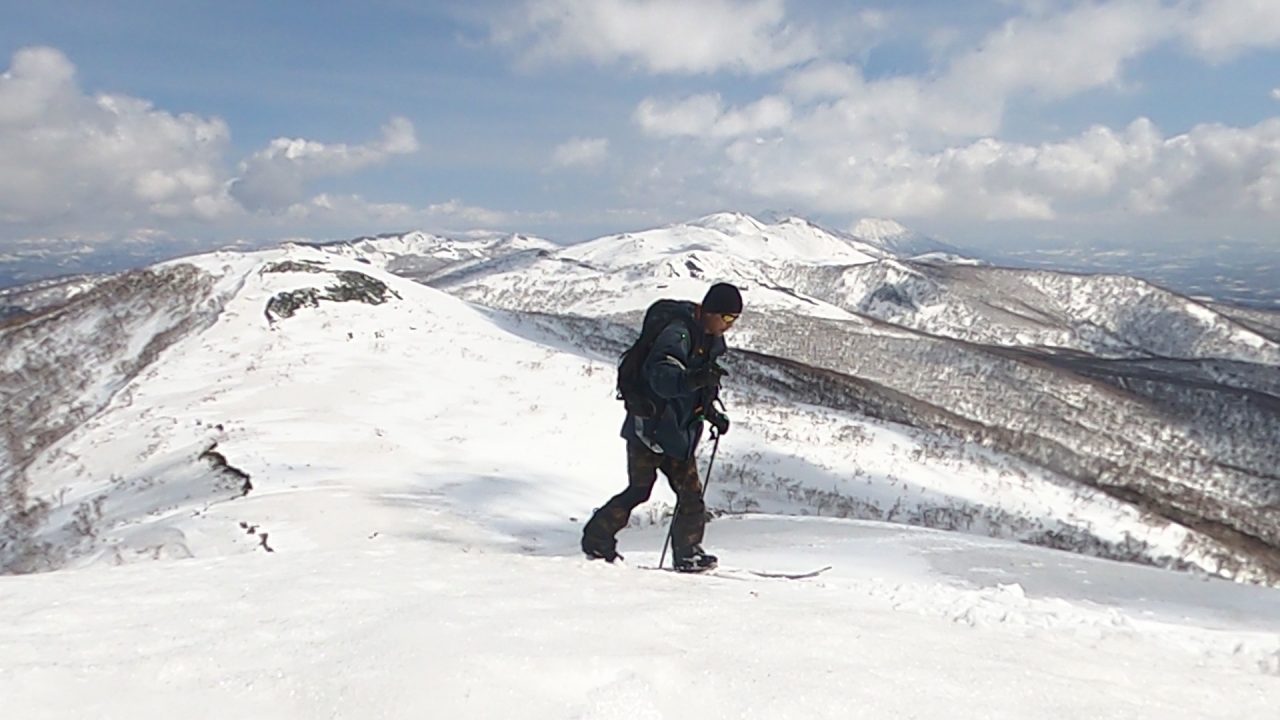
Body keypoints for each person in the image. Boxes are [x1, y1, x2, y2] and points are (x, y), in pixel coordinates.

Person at [582, 282, 743, 572]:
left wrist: (711, 413)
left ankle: (687, 554)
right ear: (711, 311)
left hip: (675, 430)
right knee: (642, 490)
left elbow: (694, 388)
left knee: (687, 494)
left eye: (734, 320)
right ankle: (597, 539)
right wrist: (694, 380)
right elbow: (661, 376)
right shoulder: (678, 334)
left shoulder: (705, 339)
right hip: (651, 426)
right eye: (728, 318)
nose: (730, 326)